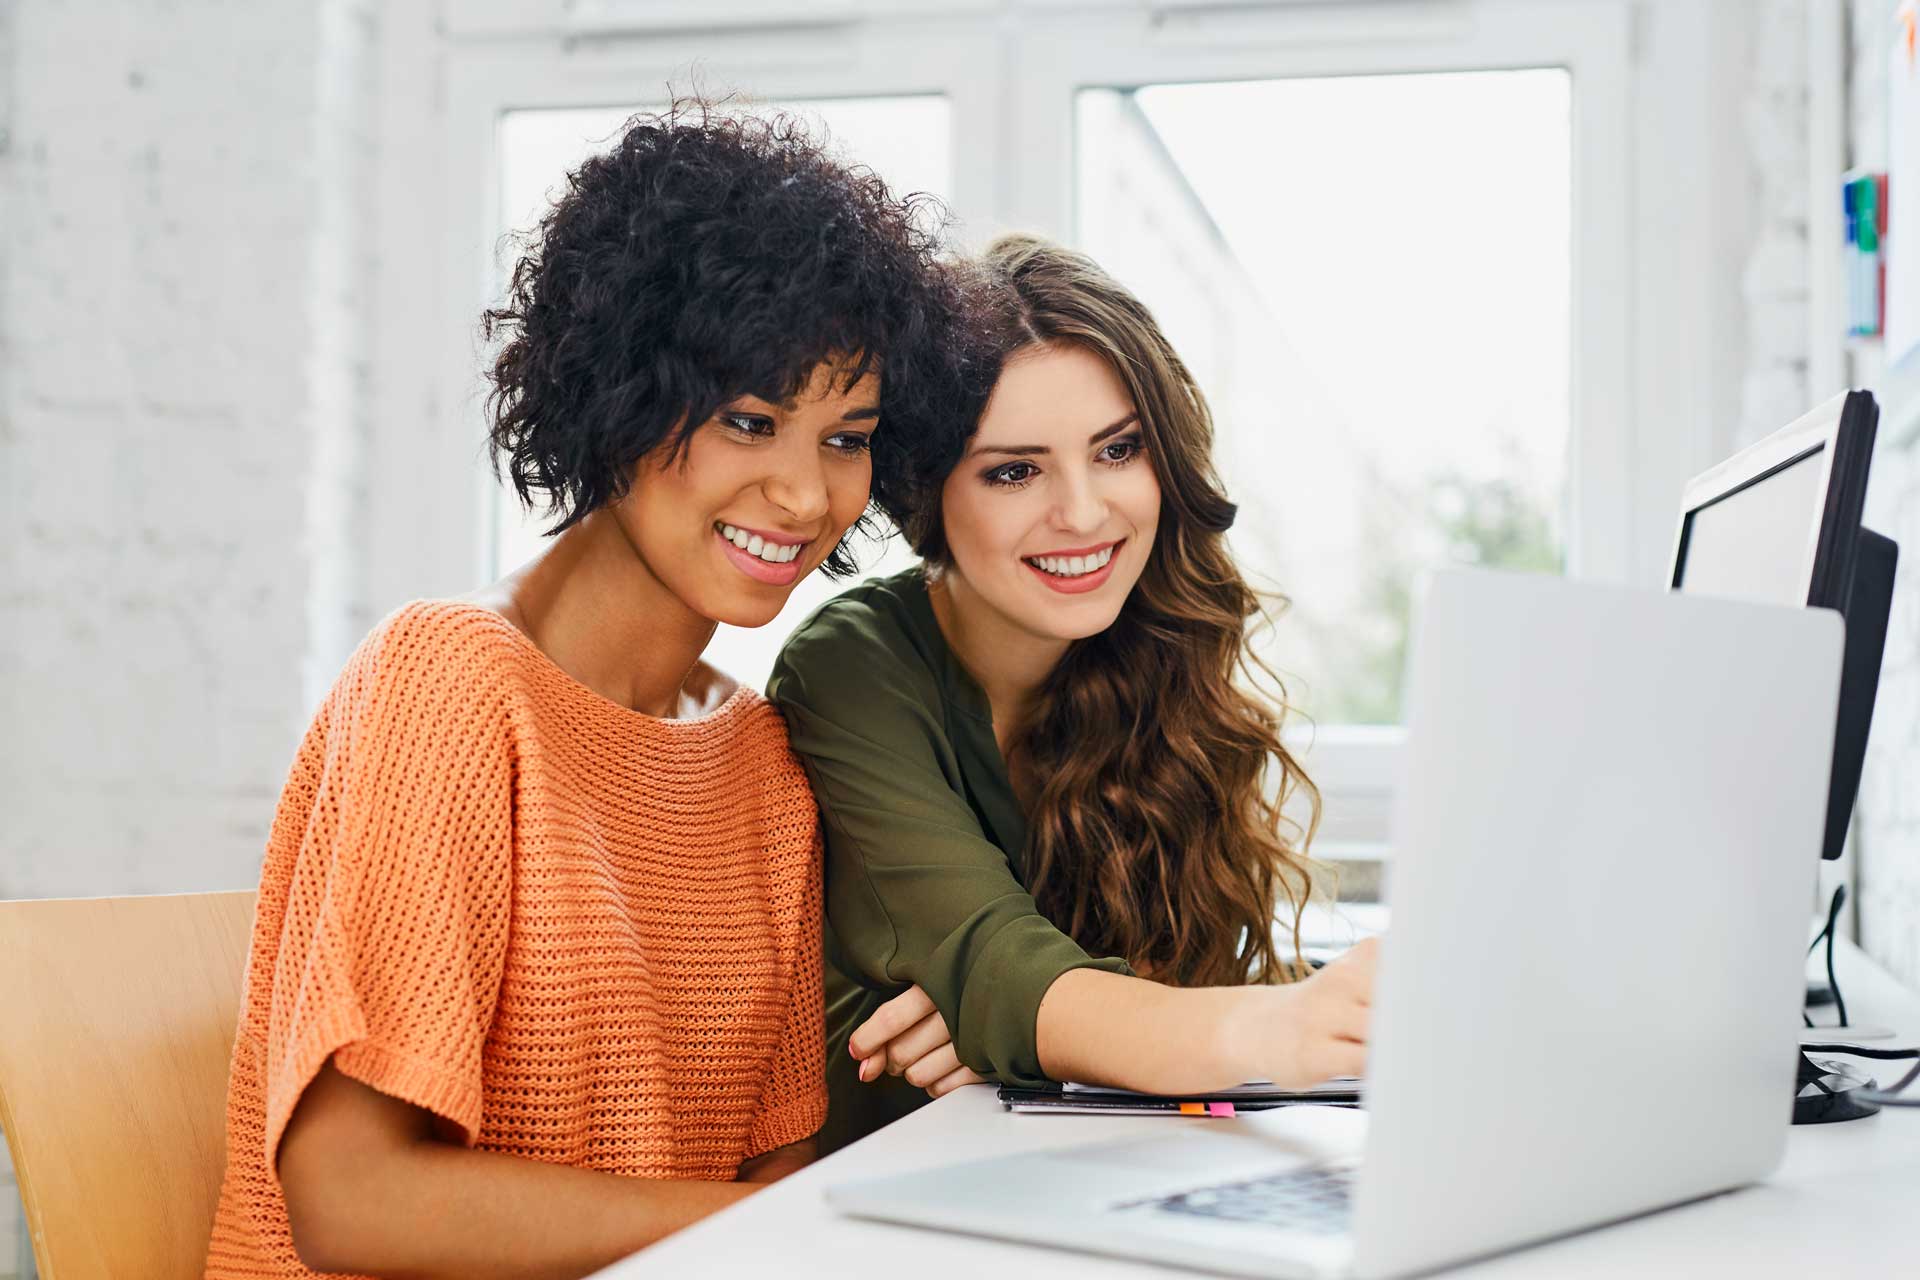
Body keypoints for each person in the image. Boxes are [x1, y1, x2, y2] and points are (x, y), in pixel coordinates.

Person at [203, 104, 960, 1279]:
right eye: (748, 420)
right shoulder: (451, 683)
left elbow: (764, 1182)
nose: (807, 496)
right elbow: (348, 1199)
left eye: (846, 436)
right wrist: (790, 1228)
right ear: (618, 398)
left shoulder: (759, 763)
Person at [768, 234, 1378, 1154]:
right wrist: (1027, 1015)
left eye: (1118, 450)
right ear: (925, 491)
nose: (1086, 513)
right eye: (1015, 470)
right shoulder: (852, 665)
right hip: (880, 1210)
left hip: (1092, 1177)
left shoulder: (1154, 646)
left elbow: (1124, 993)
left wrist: (1023, 1036)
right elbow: (1001, 965)